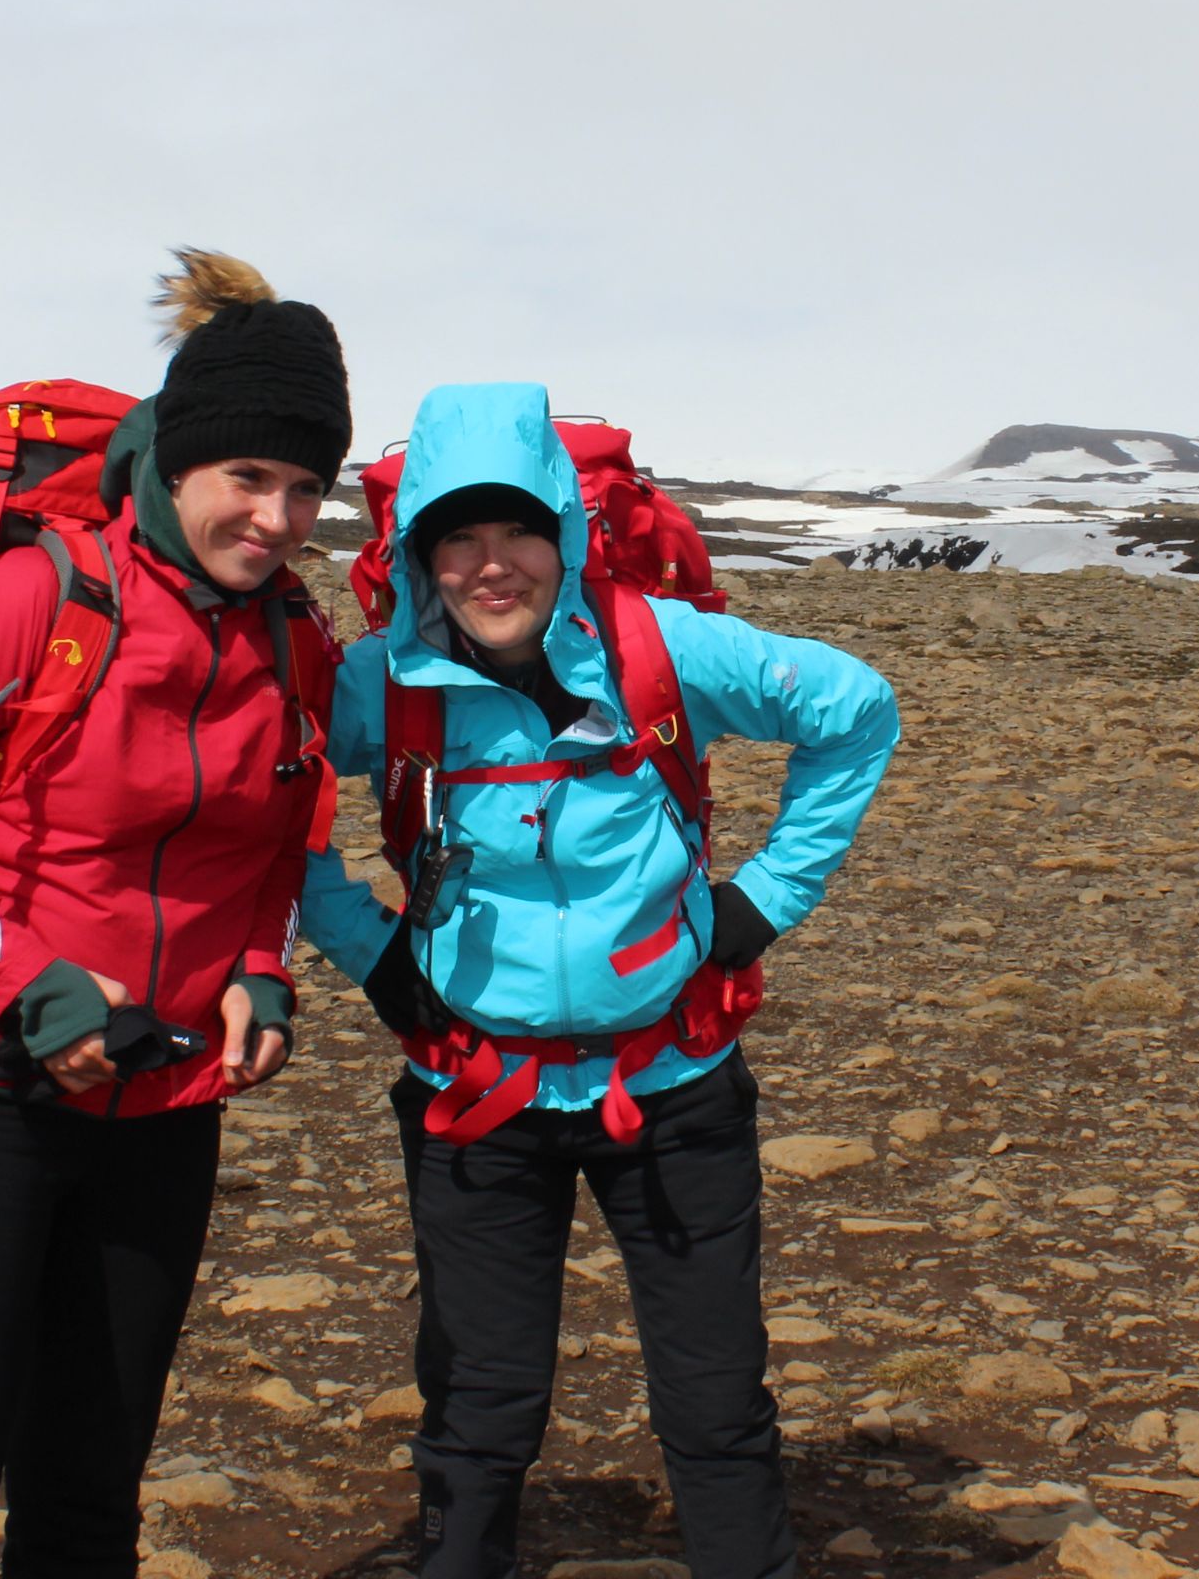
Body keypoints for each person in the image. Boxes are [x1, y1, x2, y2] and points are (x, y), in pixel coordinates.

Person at [0, 254, 352, 1579]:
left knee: (90, 1507)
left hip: (161, 1115)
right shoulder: (35, 597)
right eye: (248, 476)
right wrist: (27, 980)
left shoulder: (292, 642)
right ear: (179, 457)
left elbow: (280, 837)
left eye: (305, 487)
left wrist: (260, 967)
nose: (276, 516)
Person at [300, 381, 902, 1579]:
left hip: (676, 1086)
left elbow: (856, 709)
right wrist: (368, 949)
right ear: (417, 554)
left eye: (518, 529)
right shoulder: (380, 682)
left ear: (566, 532)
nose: (491, 564)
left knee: (716, 1403)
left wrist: (764, 900)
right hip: (474, 1095)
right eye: (457, 538)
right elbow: (270, 791)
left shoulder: (659, 647)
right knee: (478, 1407)